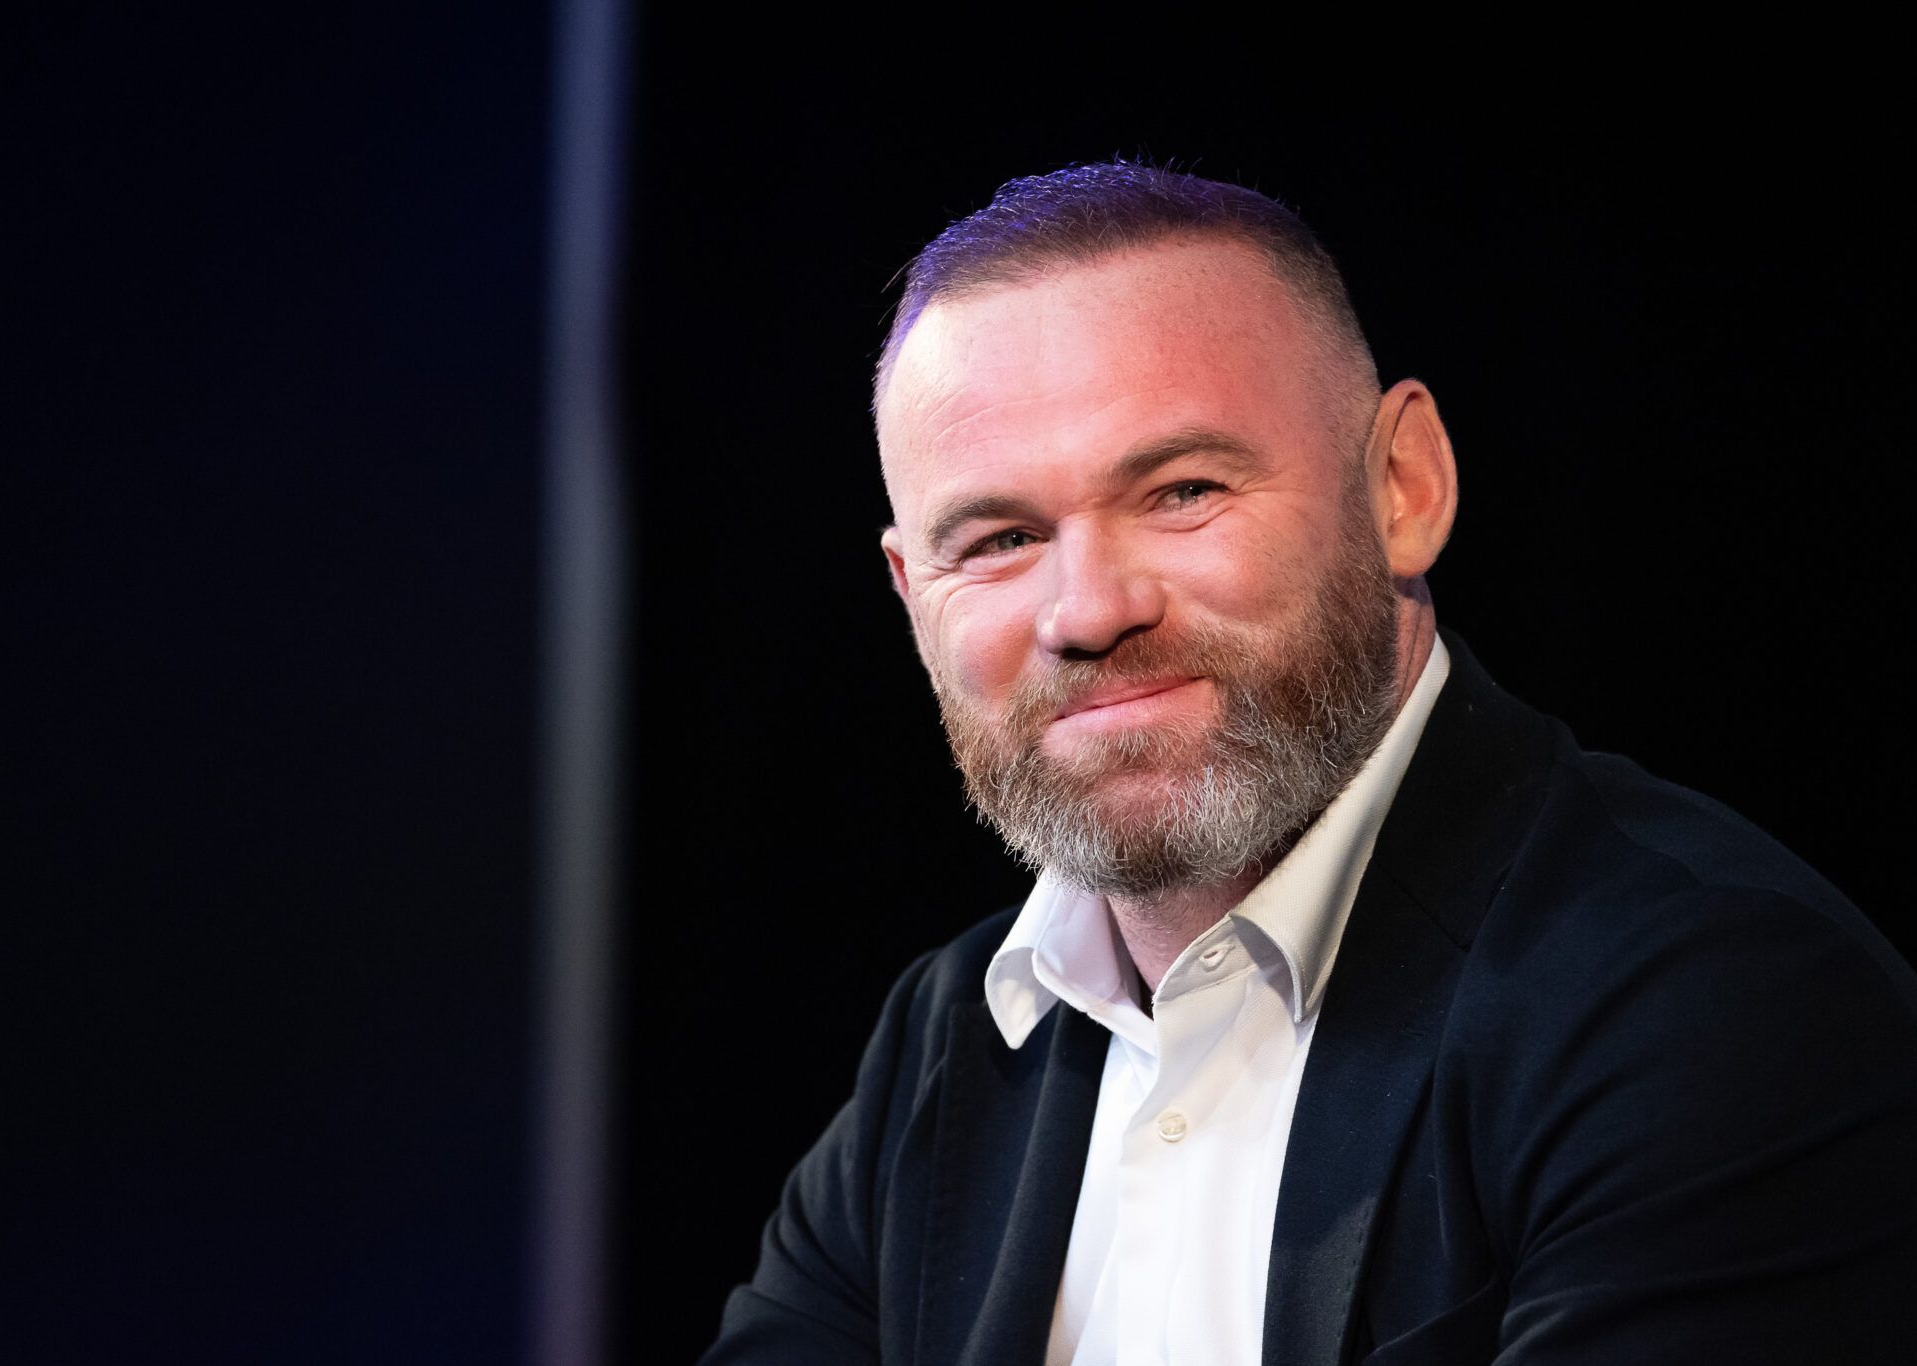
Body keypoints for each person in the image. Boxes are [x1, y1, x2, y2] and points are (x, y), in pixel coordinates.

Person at [698, 162, 1917, 1366]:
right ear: (910, 595)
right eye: (1000, 538)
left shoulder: (1715, 1002)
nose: (1087, 610)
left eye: (1180, 490)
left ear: (1401, 487)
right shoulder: (943, 1045)